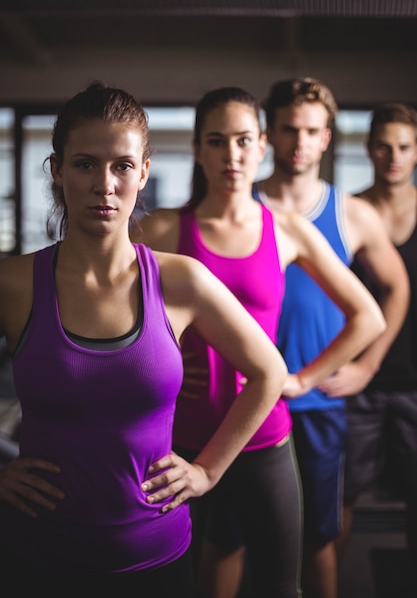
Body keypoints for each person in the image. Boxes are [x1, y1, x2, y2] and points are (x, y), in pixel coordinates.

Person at [0, 82, 291, 598]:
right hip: (38, 555)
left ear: (144, 172)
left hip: (156, 557)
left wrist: (206, 472)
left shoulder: (182, 281)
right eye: (85, 164)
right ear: (56, 171)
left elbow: (269, 372)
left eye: (122, 166)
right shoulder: (15, 284)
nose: (105, 185)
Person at [134, 86, 386, 598]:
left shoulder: (288, 229)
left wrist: (300, 379)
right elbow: (121, 327)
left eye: (244, 140)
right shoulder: (162, 229)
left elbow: (368, 316)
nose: (232, 155)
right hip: (184, 439)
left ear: (262, 145)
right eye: (217, 141)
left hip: (264, 435)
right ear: (198, 149)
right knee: (191, 576)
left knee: (280, 584)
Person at [251, 77, 410, 598]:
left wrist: (366, 366)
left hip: (318, 403)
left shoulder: (351, 214)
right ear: (270, 135)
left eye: (312, 131)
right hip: (249, 401)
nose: (300, 141)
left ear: (326, 139)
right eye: (289, 129)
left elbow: (396, 289)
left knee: (321, 534)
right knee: (238, 536)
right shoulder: (237, 208)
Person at [338, 103, 417, 569]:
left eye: (404, 147)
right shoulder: (350, 215)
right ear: (369, 150)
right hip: (357, 383)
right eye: (384, 145)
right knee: (340, 497)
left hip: (415, 383)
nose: (393, 155)